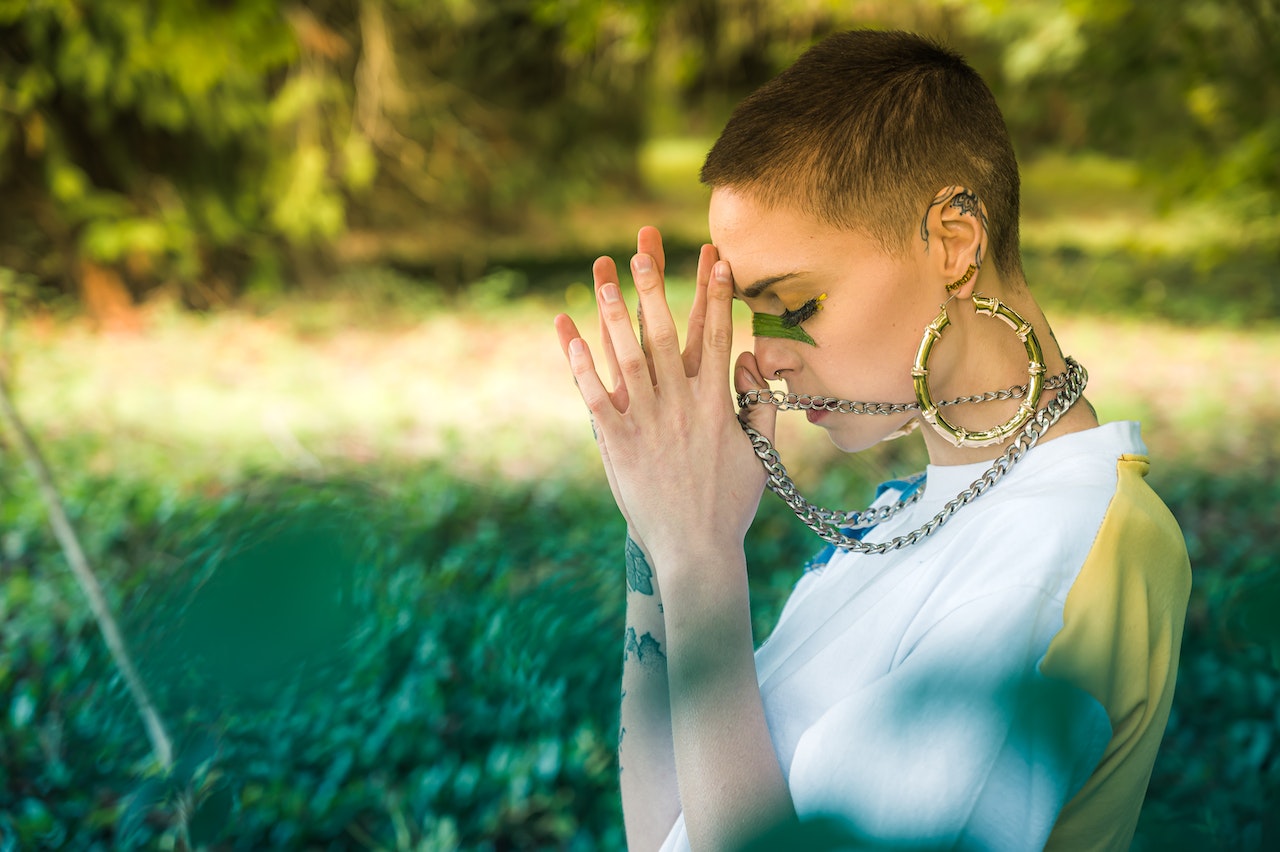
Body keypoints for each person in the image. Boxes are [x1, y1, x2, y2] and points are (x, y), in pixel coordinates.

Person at [553, 29, 1190, 852]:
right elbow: (666, 832)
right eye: (755, 308)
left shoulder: (1054, 560)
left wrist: (703, 561)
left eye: (798, 302)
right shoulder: (918, 511)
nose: (767, 352)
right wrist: (662, 532)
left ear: (954, 245)